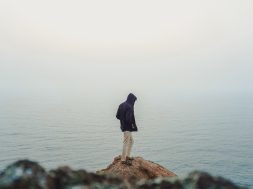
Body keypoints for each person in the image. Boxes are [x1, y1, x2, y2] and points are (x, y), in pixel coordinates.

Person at [116, 93, 138, 165]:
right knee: (126, 142)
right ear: (132, 99)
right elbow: (129, 119)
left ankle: (127, 156)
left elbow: (117, 116)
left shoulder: (121, 105)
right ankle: (123, 159)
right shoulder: (129, 107)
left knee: (131, 141)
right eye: (134, 101)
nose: (134, 102)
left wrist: (122, 120)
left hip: (123, 126)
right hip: (127, 127)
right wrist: (132, 124)